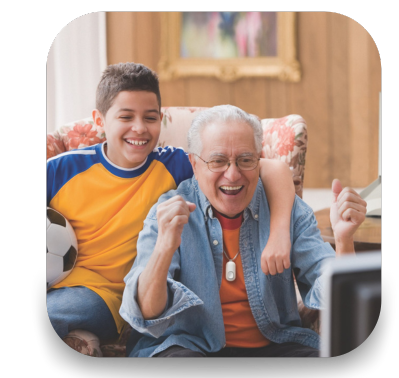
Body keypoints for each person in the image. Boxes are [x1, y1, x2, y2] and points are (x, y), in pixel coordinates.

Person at [46, 63, 296, 356]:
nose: (139, 128)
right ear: (99, 120)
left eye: (150, 117)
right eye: (126, 116)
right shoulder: (63, 168)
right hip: (57, 282)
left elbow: (275, 168)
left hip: (111, 297)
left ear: (161, 120)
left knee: (55, 312)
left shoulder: (175, 164)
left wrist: (280, 232)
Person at [120, 104, 367, 358]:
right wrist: (164, 247)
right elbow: (146, 313)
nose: (233, 174)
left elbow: (342, 301)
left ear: (259, 160)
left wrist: (344, 240)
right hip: (189, 346)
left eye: (245, 160)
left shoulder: (289, 211)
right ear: (194, 163)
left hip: (277, 345)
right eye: (217, 161)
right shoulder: (167, 212)